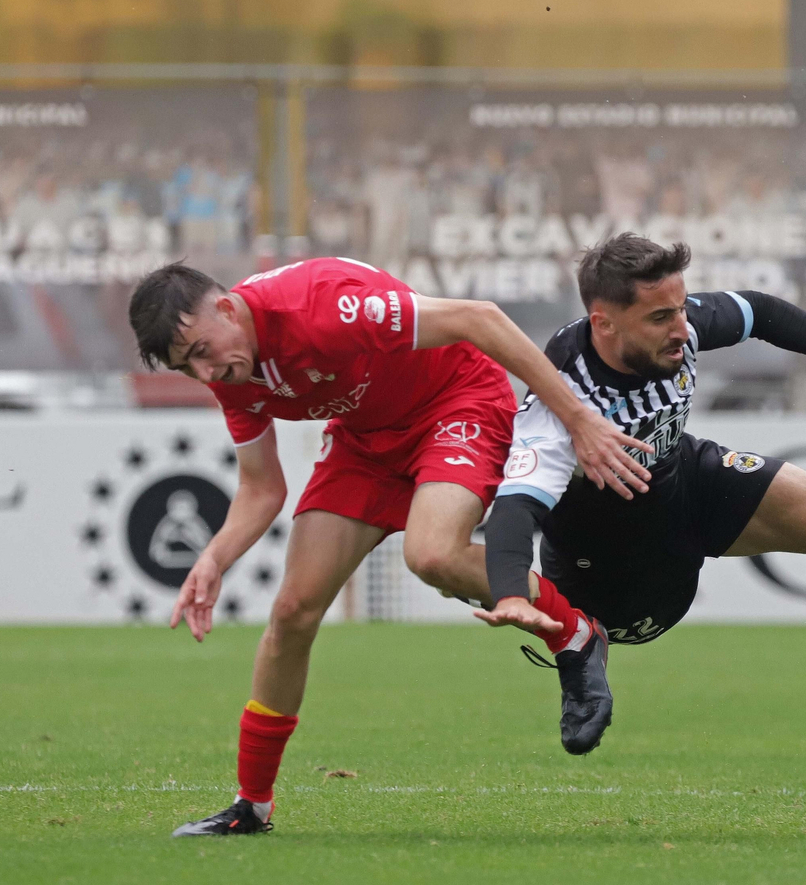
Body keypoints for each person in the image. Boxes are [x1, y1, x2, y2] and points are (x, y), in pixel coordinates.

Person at [127, 257, 654, 835]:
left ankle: (575, 633)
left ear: (227, 307)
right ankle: (251, 806)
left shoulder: (323, 308)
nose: (205, 373)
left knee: (432, 555)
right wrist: (212, 559)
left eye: (202, 350)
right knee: (292, 613)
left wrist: (576, 419)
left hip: (456, 402)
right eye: (188, 367)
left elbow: (478, 318)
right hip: (363, 443)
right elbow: (261, 487)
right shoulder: (230, 371)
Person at [476, 233, 806, 756]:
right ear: (604, 323)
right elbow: (515, 506)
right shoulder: (563, 400)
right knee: (635, 618)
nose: (682, 329)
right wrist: (512, 593)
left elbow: (760, 312)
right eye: (660, 318)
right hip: (608, 561)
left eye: (680, 309)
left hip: (683, 479)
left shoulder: (679, 324)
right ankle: (581, 652)